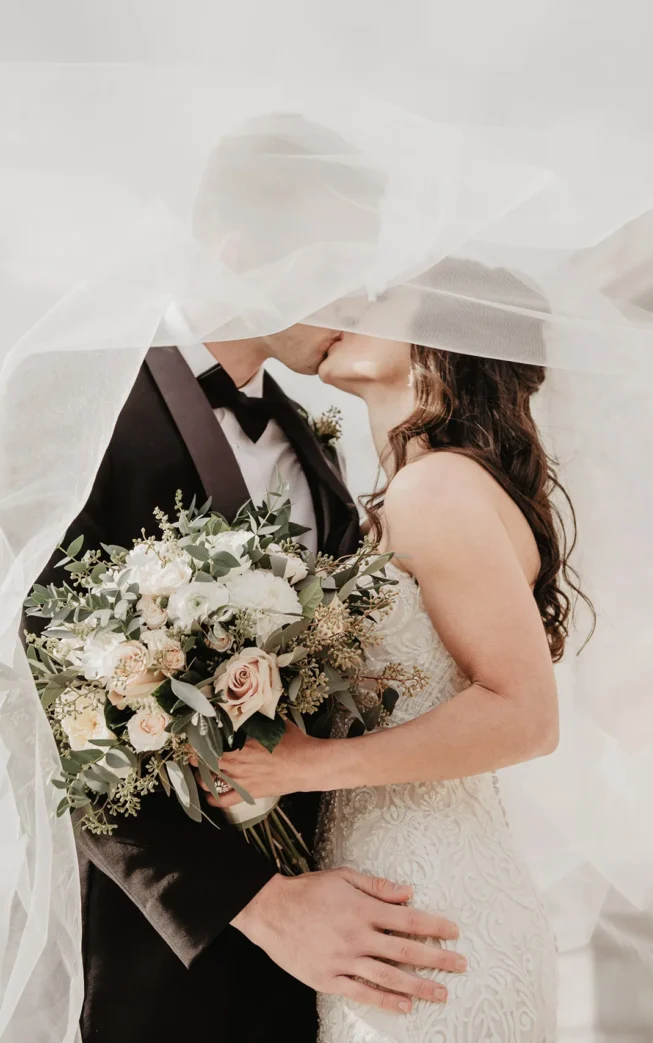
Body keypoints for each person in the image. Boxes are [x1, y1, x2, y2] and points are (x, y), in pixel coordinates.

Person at [30, 327, 467, 1043]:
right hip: (166, 958)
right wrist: (262, 905)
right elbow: (42, 703)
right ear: (253, 245)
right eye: (336, 265)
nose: (351, 305)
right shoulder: (80, 404)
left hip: (337, 957)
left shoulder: (315, 447)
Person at [209, 333, 588, 1040]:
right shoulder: (416, 488)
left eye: (378, 294)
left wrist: (300, 764)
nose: (345, 306)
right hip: (395, 903)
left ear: (442, 333)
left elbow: (527, 714)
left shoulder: (437, 486)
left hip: (430, 913)